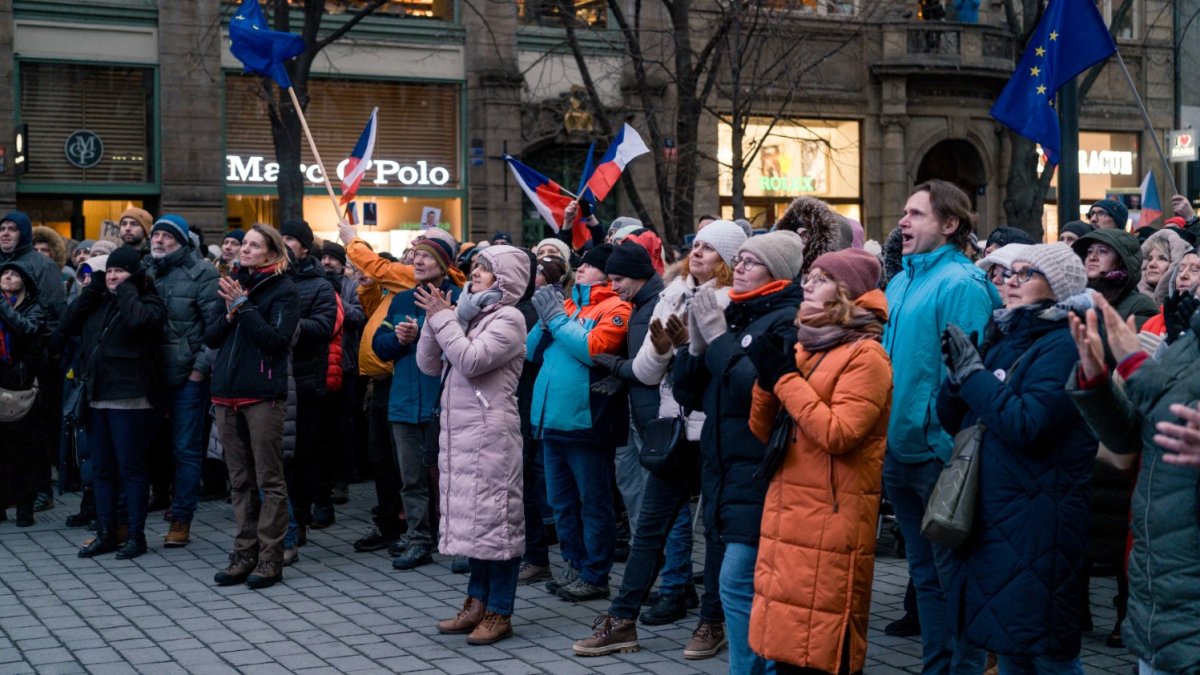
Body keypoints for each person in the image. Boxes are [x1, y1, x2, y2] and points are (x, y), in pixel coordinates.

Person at [573, 219, 745, 660]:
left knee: (715, 532)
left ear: (729, 260)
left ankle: (712, 621)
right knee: (649, 528)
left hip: (714, 430)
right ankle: (621, 620)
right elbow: (647, 371)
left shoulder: (735, 302)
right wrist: (671, 348)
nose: (700, 252)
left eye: (712, 248)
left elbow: (720, 371)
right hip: (673, 426)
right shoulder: (673, 294)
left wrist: (689, 348)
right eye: (698, 245)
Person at [937, 243, 1095, 674]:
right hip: (1000, 516)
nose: (1009, 281)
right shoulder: (1005, 335)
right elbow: (958, 421)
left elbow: (1029, 424)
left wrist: (975, 377)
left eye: (1024, 274)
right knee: (1010, 643)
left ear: (1056, 287)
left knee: (1046, 653)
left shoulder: (1065, 344)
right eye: (1007, 274)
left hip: (1040, 518)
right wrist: (956, 379)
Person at [745, 247, 892, 675]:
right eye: (807, 276)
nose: (806, 283)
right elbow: (763, 429)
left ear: (845, 293)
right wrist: (767, 378)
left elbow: (838, 434)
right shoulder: (811, 344)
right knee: (790, 645)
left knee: (823, 650)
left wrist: (785, 379)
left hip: (831, 516)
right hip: (790, 510)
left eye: (820, 278)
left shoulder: (866, 355)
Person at [672, 230, 806, 675]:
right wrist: (694, 349)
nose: (740, 268)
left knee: (736, 583)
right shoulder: (738, 313)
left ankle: (754, 668)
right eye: (741, 260)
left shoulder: (787, 319)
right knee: (737, 583)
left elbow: (761, 389)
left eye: (752, 261)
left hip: (759, 471)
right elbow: (690, 394)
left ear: (778, 273)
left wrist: (718, 338)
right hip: (725, 469)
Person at [882, 180, 999, 675]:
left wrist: (941, 440)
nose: (903, 222)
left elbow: (967, 377)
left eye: (916, 214)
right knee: (925, 578)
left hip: (939, 456)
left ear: (949, 225)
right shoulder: (900, 281)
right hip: (897, 453)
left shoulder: (963, 284)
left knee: (954, 582)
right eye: (904, 213)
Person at [1066, 293, 1200, 675]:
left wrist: (1136, 365)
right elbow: (1130, 444)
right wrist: (1096, 382)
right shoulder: (1190, 339)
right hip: (1159, 591)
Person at [416, 245, 530, 646]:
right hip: (462, 432)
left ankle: (500, 609)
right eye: (475, 267)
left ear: (505, 279)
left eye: (485, 268)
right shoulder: (469, 314)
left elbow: (469, 360)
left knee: (497, 523)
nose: (475, 273)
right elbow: (429, 365)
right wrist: (438, 321)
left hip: (490, 434)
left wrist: (445, 319)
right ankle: (476, 602)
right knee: (478, 522)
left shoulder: (510, 318)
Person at [527, 243, 632, 602]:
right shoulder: (569, 304)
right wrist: (544, 324)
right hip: (553, 421)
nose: (581, 269)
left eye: (589, 265)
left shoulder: (616, 307)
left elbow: (594, 350)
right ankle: (574, 565)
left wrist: (556, 320)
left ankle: (595, 573)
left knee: (593, 502)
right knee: (562, 503)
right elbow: (529, 353)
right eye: (581, 265)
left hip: (586, 421)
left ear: (606, 273)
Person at [205, 224, 300, 589]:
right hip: (226, 394)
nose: (244, 249)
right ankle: (243, 553)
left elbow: (275, 341)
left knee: (268, 480)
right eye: (243, 243)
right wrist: (229, 312)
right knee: (239, 479)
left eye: (254, 245)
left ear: (272, 253)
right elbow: (211, 337)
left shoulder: (284, 290)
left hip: (262, 395)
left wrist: (242, 307)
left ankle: (270, 559)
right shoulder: (232, 284)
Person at [63, 246, 167, 560]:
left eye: (119, 271)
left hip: (132, 399)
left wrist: (128, 289)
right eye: (109, 271)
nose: (112, 277)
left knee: (131, 469)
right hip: (97, 397)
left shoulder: (149, 302)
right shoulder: (98, 302)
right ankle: (106, 532)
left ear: (134, 275)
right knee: (102, 471)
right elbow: (67, 327)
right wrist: (91, 291)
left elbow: (138, 322)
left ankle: (136, 535)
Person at [372, 235, 462, 571]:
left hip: (448, 403)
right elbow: (379, 347)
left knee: (452, 478)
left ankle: (458, 542)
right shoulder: (401, 300)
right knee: (411, 478)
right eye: (414, 255)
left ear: (444, 264)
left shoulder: (460, 297)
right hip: (404, 403)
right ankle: (419, 538)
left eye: (426, 256)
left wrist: (436, 324)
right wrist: (396, 339)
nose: (417, 261)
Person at [144, 214, 222, 548]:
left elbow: (215, 327)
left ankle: (181, 519)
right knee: (143, 449)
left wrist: (198, 370)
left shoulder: (203, 272)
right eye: (155, 235)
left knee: (186, 451)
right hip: (149, 377)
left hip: (188, 378)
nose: (158, 240)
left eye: (165, 235)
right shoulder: (145, 270)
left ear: (181, 240)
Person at [279, 220, 340, 534]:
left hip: (305, 381)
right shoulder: (270, 279)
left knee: (302, 456)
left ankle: (298, 521)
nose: (284, 242)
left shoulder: (320, 284)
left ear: (304, 246)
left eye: (290, 238)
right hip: (274, 379)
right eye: (281, 237)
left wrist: (285, 325)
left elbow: (323, 327)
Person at [0, 261, 48, 527]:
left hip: (21, 389)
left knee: (22, 453)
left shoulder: (33, 309)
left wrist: (2, 306)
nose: (7, 276)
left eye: (14, 274)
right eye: (4, 273)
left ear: (25, 283)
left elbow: (27, 330)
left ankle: (24, 510)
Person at [320, 241, 366, 506]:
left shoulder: (351, 287)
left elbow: (358, 316)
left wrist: (336, 301)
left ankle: (342, 481)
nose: (327, 262)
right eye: (324, 257)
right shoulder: (316, 282)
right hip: (320, 366)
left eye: (332, 258)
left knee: (342, 426)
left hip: (346, 366)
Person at [1136, 229, 1191, 306]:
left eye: (1162, 258)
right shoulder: (1130, 297)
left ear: (1176, 266)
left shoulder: (1187, 305)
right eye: (1150, 258)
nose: (1151, 264)